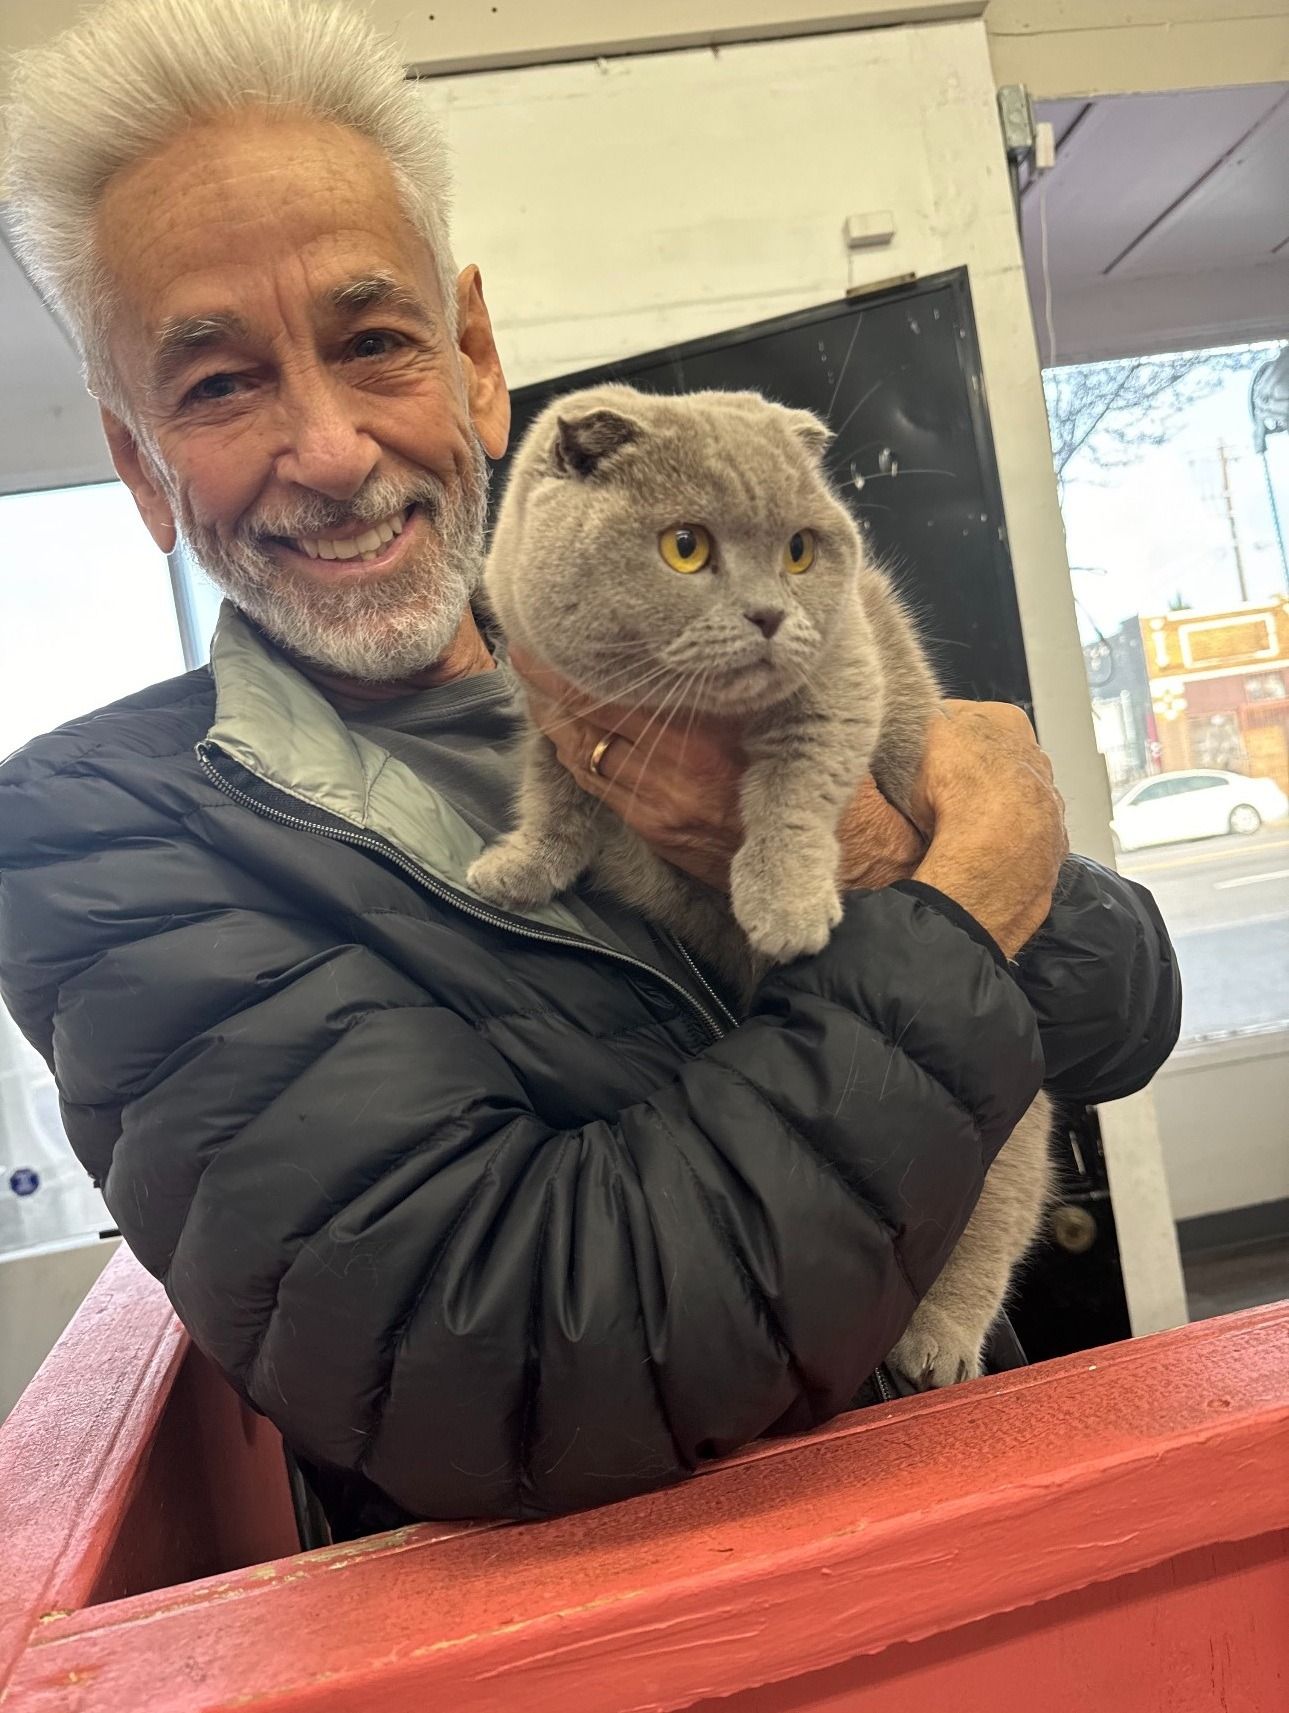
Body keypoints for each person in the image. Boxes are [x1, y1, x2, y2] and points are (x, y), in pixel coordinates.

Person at [0, 0, 1180, 1534]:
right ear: (141, 463)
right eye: (218, 385)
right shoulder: (106, 834)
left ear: (475, 362)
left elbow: (1116, 1009)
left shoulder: (724, 639)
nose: (335, 447)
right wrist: (954, 883)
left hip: (963, 1509)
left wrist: (885, 866)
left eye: (374, 344)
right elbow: (512, 1361)